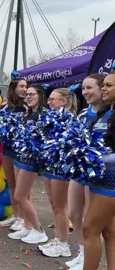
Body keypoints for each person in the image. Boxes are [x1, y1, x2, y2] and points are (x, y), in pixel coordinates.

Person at [65, 74, 105, 269]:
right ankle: (82, 253)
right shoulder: (82, 114)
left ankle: (91, 258)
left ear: (101, 89)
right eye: (83, 88)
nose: (85, 92)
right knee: (72, 212)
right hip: (79, 171)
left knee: (91, 220)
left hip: (99, 175)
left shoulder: (110, 114)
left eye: (90, 88)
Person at [77, 71, 115, 270]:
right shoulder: (102, 114)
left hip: (111, 182)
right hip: (99, 180)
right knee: (109, 232)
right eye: (104, 85)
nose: (103, 89)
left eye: (109, 85)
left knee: (89, 228)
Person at [38, 88, 78, 258]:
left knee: (61, 207)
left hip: (61, 169)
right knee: (54, 205)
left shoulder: (71, 121)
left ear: (63, 102)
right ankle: (58, 238)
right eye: (49, 99)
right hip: (49, 166)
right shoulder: (49, 119)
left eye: (53, 99)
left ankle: (63, 244)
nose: (49, 102)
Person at [8, 85, 48, 244]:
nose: (29, 97)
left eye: (32, 94)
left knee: (20, 196)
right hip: (19, 157)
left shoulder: (43, 115)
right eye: (27, 95)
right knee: (25, 194)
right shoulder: (28, 114)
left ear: (40, 96)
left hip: (31, 161)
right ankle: (27, 226)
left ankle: (39, 230)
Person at [0, 78, 27, 229]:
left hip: (23, 153)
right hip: (8, 150)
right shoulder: (5, 108)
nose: (24, 89)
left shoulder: (28, 108)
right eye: (21, 86)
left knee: (23, 187)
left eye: (26, 86)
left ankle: (24, 218)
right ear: (13, 88)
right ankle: (16, 215)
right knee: (11, 184)